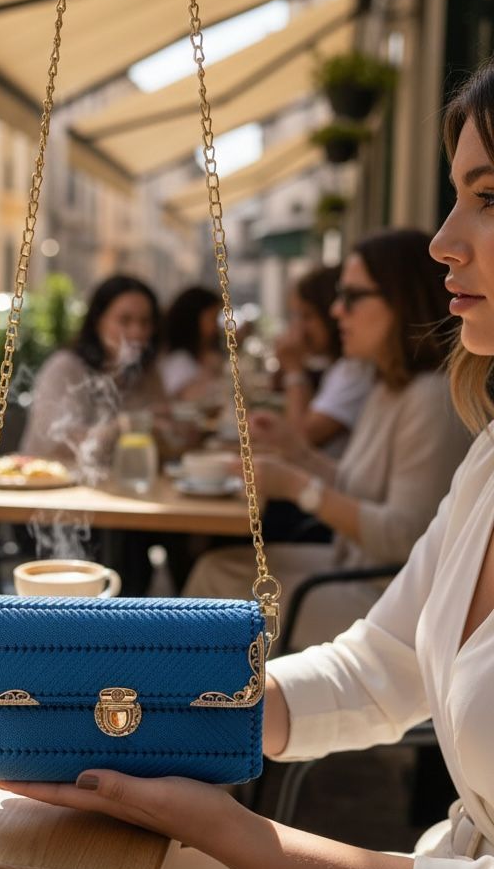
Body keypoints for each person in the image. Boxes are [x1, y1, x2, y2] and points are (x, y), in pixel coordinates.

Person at [0, 57, 494, 869]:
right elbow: (376, 668)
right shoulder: (490, 458)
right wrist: (157, 712)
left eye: (488, 197)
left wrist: (234, 830)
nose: (442, 239)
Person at [183, 226, 471, 648]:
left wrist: (298, 486)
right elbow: (360, 489)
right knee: (214, 567)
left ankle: (212, 706)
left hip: (387, 603)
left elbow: (403, 537)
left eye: (352, 297)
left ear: (402, 300)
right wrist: (294, 451)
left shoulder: (429, 399)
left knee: (213, 596)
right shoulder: (392, 386)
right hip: (351, 568)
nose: (337, 311)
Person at [19, 274, 166, 480]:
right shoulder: (66, 368)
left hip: (119, 487)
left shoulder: (145, 372)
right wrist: (124, 426)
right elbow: (55, 443)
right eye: (125, 320)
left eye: (145, 322)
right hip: (50, 489)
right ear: (98, 321)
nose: (137, 332)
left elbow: (164, 430)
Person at [275, 263, 374, 456]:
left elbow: (300, 439)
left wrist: (294, 369)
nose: (300, 329)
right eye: (296, 316)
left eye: (308, 316)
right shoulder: (339, 367)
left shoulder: (356, 370)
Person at [157, 285, 223, 402]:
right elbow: (192, 401)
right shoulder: (178, 360)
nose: (216, 327)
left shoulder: (202, 355)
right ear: (193, 319)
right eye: (212, 318)